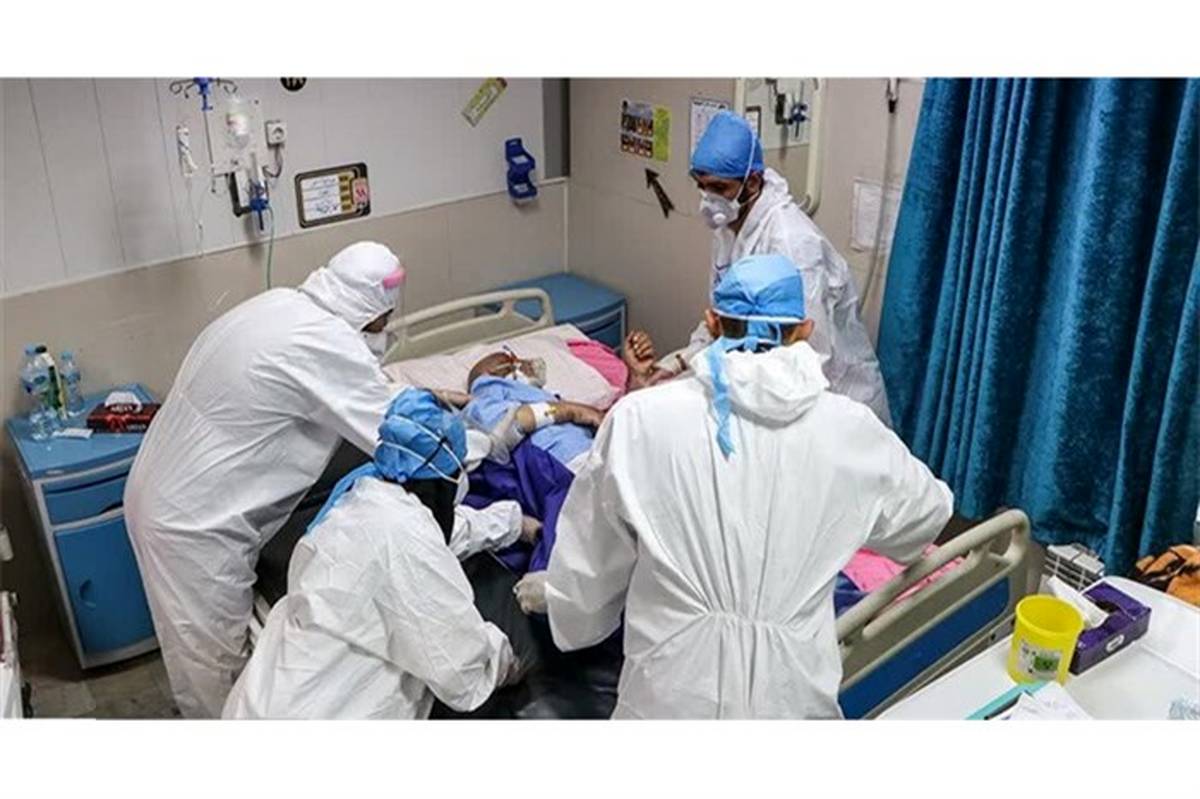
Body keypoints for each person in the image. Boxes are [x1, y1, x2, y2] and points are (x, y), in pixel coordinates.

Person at [523, 253, 952, 718]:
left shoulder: (638, 421)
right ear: (804, 330)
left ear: (712, 322)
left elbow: (588, 571)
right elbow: (923, 520)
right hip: (789, 694)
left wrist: (569, 611)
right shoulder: (851, 429)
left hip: (671, 690)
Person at [124, 241, 409, 719]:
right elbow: (400, 433)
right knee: (214, 666)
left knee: (199, 648)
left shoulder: (280, 305)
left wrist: (412, 395)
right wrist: (506, 429)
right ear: (368, 312)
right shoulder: (326, 344)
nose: (384, 332)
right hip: (192, 524)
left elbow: (356, 392)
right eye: (383, 322)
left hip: (164, 487)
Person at [223, 390, 524, 719]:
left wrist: (513, 522)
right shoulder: (407, 539)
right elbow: (463, 669)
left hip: (263, 696)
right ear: (445, 481)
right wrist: (505, 662)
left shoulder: (364, 497)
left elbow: (432, 535)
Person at [687, 110, 892, 424]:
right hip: (767, 380)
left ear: (752, 181)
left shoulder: (793, 244)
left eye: (719, 188)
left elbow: (811, 354)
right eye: (701, 186)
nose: (708, 199)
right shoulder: (727, 226)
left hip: (834, 395)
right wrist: (682, 362)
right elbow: (722, 313)